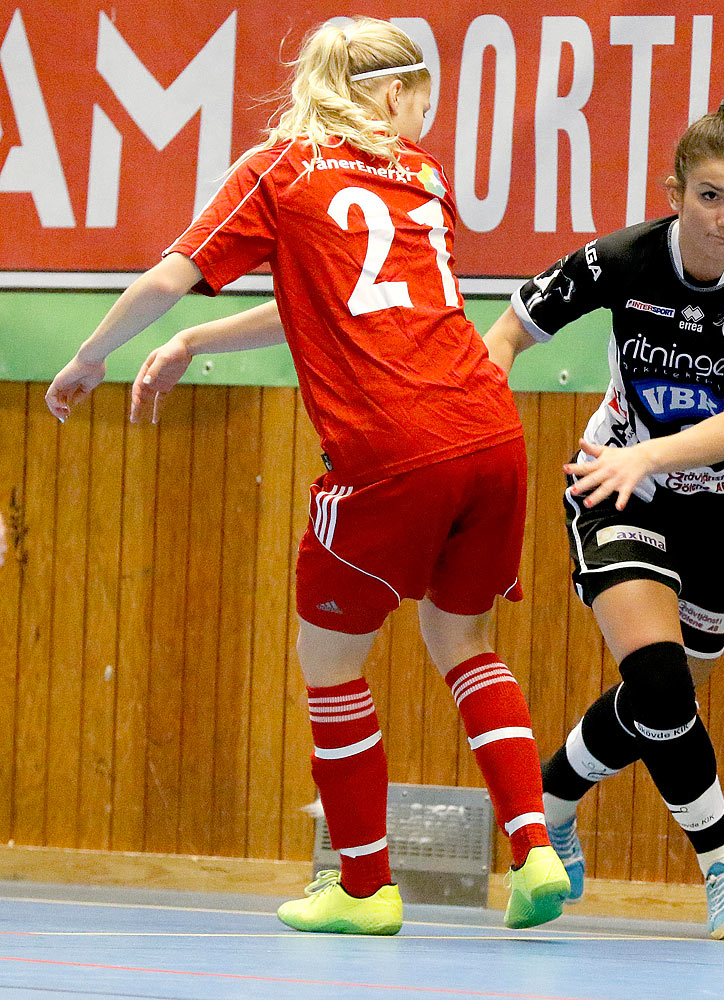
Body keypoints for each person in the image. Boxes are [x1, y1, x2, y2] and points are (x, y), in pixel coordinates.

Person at [44, 16, 570, 935]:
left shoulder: (280, 168)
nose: (425, 120)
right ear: (394, 95)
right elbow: (331, 299)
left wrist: (91, 358)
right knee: (465, 644)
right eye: (425, 102)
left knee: (329, 665)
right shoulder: (421, 179)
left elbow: (172, 273)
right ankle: (531, 853)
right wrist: (200, 338)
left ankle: (364, 889)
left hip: (392, 447)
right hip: (490, 433)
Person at [482, 92, 724, 939]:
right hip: (615, 486)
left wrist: (651, 453)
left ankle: (553, 799)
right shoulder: (621, 260)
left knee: (659, 701)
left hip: (719, 509)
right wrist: (476, 437)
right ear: (673, 192)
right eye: (709, 196)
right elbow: (504, 337)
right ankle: (723, 867)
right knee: (664, 684)